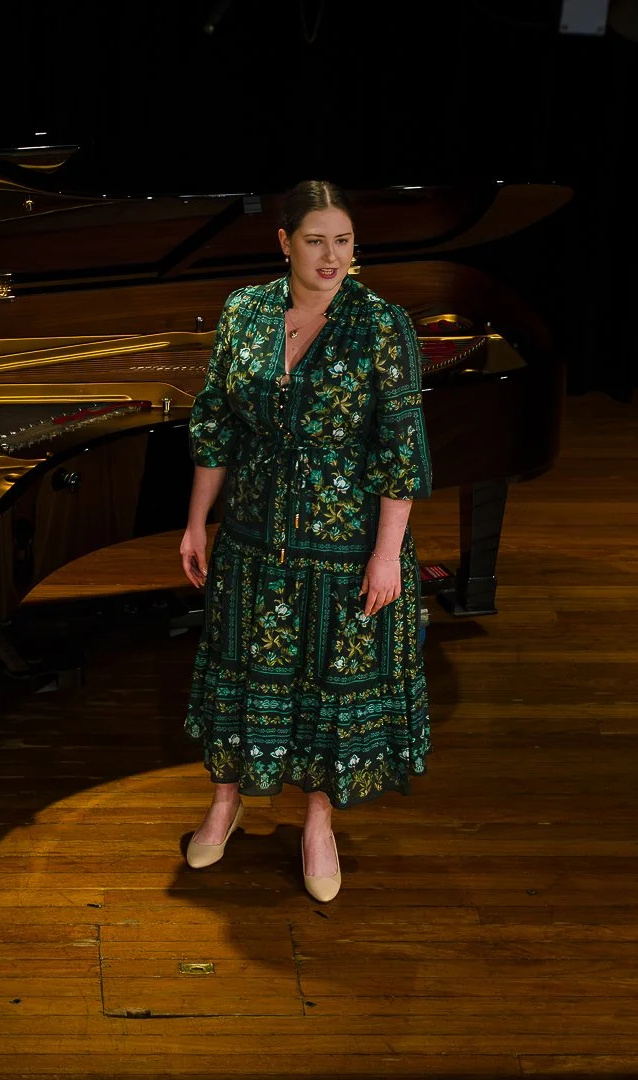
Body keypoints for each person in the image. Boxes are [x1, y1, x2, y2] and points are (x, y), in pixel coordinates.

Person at [179, 181, 432, 902]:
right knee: (239, 670)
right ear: (284, 241)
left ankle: (318, 823)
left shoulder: (382, 324)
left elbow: (400, 449)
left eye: (343, 241)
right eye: (316, 240)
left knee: (328, 685)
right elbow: (215, 425)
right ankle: (225, 804)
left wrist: (387, 554)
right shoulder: (245, 311)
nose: (332, 255)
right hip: (253, 539)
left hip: (347, 545)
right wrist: (199, 521)